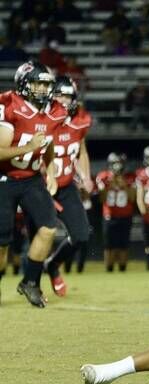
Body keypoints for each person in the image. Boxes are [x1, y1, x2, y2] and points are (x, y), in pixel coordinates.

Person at [0, 61, 67, 307]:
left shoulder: (56, 110)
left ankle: (29, 281)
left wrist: (50, 170)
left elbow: (47, 143)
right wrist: (29, 147)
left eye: (46, 84)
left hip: (30, 179)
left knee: (48, 228)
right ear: (24, 84)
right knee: (2, 244)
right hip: (4, 180)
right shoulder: (11, 108)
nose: (43, 88)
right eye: (38, 83)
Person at [42, 75, 93, 297]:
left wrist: (86, 176)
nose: (64, 100)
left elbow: (80, 150)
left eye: (68, 96)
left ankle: (53, 264)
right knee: (41, 235)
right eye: (60, 95)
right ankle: (31, 282)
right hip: (40, 187)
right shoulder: (45, 119)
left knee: (81, 235)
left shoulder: (80, 120)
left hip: (65, 186)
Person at [96, 153, 136, 272]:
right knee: (109, 246)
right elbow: (101, 199)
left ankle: (123, 269)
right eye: (115, 164)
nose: (118, 166)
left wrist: (125, 186)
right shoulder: (103, 176)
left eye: (120, 164)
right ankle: (109, 269)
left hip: (125, 216)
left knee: (123, 245)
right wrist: (108, 186)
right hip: (109, 216)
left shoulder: (130, 177)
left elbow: (132, 198)